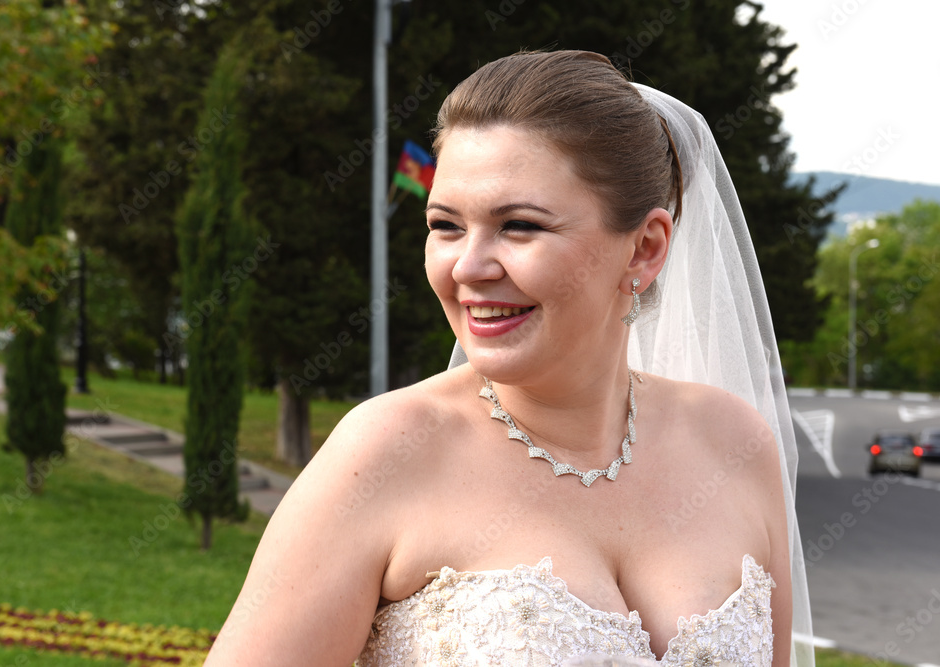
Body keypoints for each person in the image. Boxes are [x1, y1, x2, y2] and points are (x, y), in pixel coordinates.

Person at [204, 50, 813, 666]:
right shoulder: (386, 452)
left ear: (644, 249)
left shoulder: (734, 443)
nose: (468, 267)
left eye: (519, 225)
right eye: (446, 226)